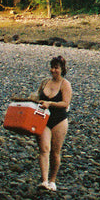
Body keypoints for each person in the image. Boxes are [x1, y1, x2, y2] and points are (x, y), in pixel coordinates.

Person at [31, 56, 72, 190]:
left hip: (59, 120)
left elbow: (66, 103)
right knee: (44, 149)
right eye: (52, 67)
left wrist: (50, 103)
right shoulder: (44, 83)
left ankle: (52, 180)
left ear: (62, 70)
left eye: (56, 68)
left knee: (55, 152)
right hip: (43, 119)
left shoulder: (65, 84)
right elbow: (37, 97)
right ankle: (44, 180)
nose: (53, 70)